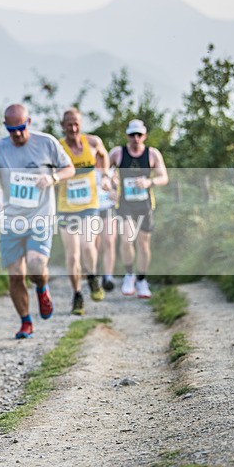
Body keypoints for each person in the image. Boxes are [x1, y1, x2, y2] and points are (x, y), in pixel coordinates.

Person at [0, 104, 74, 339]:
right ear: (6, 127)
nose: (18, 134)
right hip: (11, 220)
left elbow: (69, 169)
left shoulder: (47, 143)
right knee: (15, 274)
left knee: (35, 265)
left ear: (29, 122)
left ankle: (42, 289)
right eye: (12, 130)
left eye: (21, 128)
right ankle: (25, 322)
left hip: (40, 217)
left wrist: (52, 177)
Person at [56, 108, 111, 315]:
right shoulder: (58, 148)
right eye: (69, 124)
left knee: (88, 246)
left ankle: (93, 276)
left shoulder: (93, 142)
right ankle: (77, 294)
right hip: (66, 209)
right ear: (63, 125)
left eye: (77, 123)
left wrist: (104, 176)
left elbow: (104, 156)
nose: (73, 128)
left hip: (90, 205)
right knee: (72, 255)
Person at [108, 119, 169, 298]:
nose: (136, 138)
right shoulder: (118, 153)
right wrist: (110, 184)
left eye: (139, 135)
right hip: (125, 204)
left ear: (144, 136)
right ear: (127, 135)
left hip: (145, 205)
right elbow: (104, 171)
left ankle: (142, 280)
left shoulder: (152, 154)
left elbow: (164, 177)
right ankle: (129, 274)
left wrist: (149, 181)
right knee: (127, 240)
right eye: (132, 135)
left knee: (143, 244)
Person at [95, 166, 118, 291]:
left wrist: (115, 192)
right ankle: (94, 274)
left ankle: (108, 277)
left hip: (108, 208)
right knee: (95, 245)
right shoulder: (86, 167)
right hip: (92, 210)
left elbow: (119, 190)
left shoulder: (112, 169)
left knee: (109, 241)